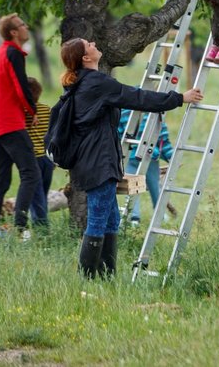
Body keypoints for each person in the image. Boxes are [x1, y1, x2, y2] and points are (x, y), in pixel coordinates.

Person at [58, 37, 203, 279]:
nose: (94, 42)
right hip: (98, 164)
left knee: (111, 219)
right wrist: (179, 98)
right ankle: (86, 280)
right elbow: (137, 97)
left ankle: (107, 278)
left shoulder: (79, 84)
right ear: (86, 58)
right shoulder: (96, 83)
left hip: (92, 162)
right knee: (97, 220)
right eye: (89, 44)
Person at [0, 14, 40, 236]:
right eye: (22, 25)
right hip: (9, 122)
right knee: (31, 173)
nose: (27, 27)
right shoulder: (13, 53)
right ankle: (20, 227)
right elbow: (20, 86)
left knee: (1, 179)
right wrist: (32, 111)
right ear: (14, 32)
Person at [118, 109, 174, 226]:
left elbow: (119, 134)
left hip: (132, 156)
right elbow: (162, 137)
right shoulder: (155, 112)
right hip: (150, 156)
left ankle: (134, 217)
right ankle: (160, 214)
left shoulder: (123, 111)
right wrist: (171, 156)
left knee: (134, 186)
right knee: (154, 186)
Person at [25, 77, 53, 227]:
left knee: (36, 196)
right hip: (47, 159)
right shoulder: (47, 110)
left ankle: (42, 228)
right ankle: (39, 222)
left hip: (32, 159)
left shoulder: (23, 112)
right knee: (42, 193)